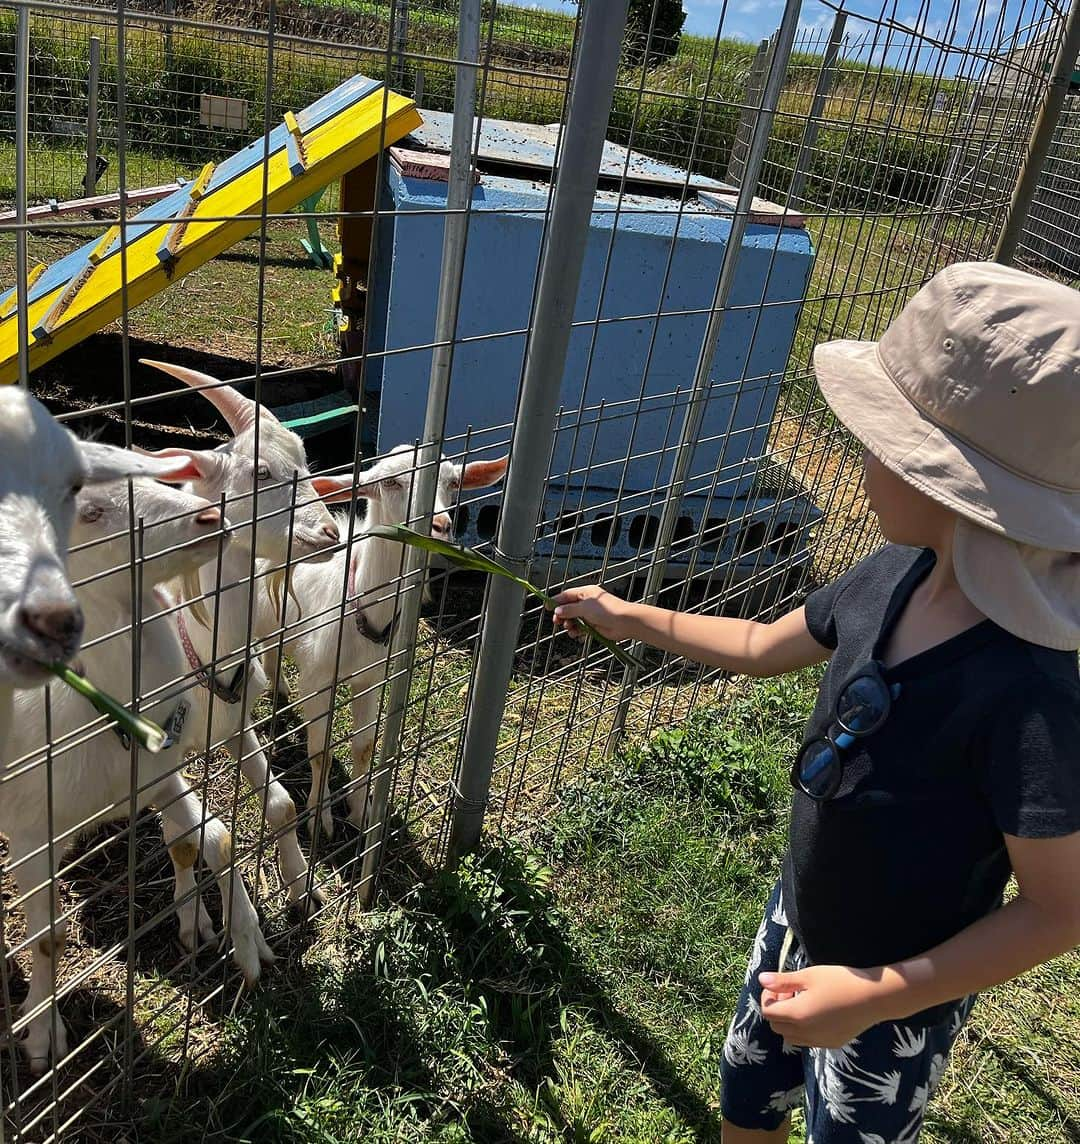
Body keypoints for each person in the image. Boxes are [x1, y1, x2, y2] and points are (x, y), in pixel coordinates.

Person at [551, 261, 1080, 1143]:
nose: (863, 456)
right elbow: (763, 649)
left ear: (956, 490)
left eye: (884, 442)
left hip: (898, 989)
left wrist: (876, 994)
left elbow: (1061, 909)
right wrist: (629, 614)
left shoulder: (1028, 693)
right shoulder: (892, 575)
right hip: (797, 917)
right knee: (746, 1089)